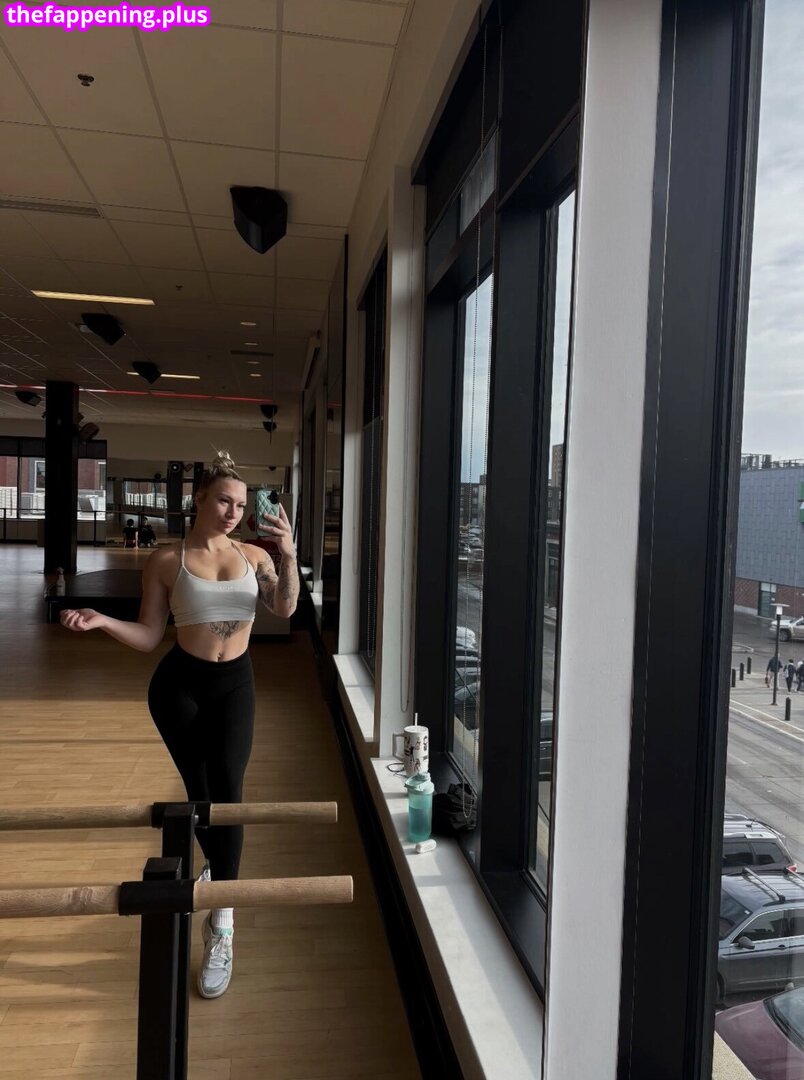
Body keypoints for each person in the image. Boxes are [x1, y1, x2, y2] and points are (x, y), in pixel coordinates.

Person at [60, 452, 299, 999]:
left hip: (235, 685)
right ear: (199, 499)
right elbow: (149, 636)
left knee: (229, 793)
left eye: (241, 504)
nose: (233, 512)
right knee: (200, 792)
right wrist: (102, 621)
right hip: (179, 689)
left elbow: (284, 609)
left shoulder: (256, 555)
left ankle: (222, 920)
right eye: (224, 501)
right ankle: (219, 871)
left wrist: (287, 553)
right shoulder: (167, 560)